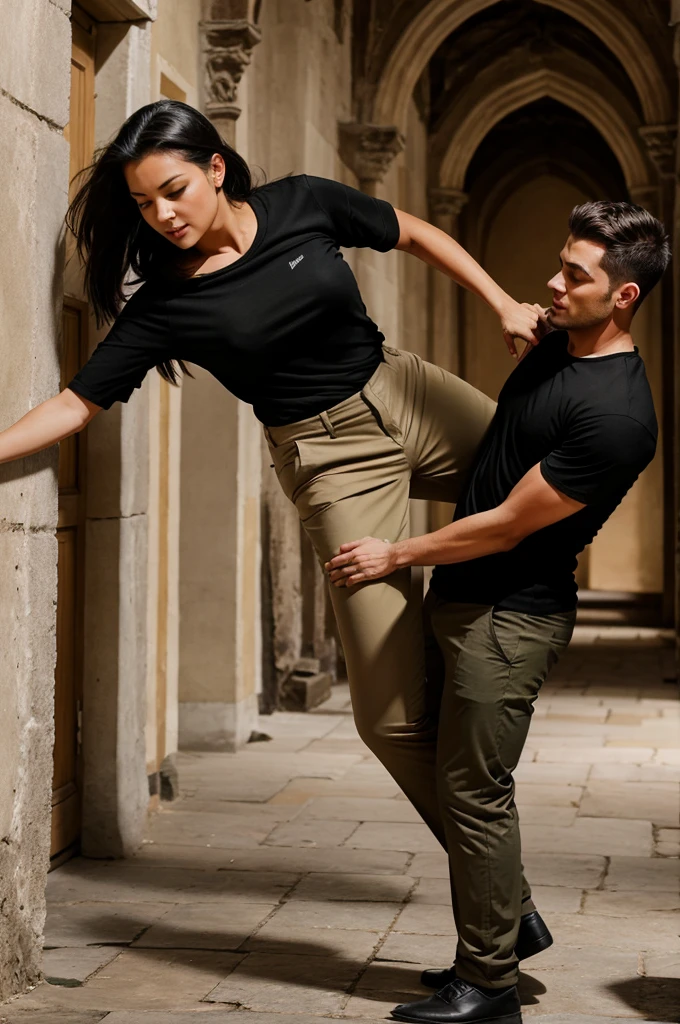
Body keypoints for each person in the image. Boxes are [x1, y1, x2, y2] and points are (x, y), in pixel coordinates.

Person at [0, 100, 549, 960]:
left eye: (174, 190)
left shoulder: (302, 202)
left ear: (216, 168)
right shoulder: (164, 307)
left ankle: (494, 648)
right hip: (332, 464)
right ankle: (501, 892)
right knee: (390, 718)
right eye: (145, 205)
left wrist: (503, 305)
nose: (164, 215)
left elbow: (409, 230)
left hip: (408, 391)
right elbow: (78, 401)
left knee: (557, 470)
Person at [326, 201, 668, 1024]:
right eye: (559, 263)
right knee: (438, 764)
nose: (553, 283)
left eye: (575, 276)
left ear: (623, 297)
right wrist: (519, 319)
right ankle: (503, 924)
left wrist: (396, 552)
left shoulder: (619, 418)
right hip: (468, 603)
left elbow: (512, 521)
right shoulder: (559, 346)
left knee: (476, 790)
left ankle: (492, 987)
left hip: (512, 619)